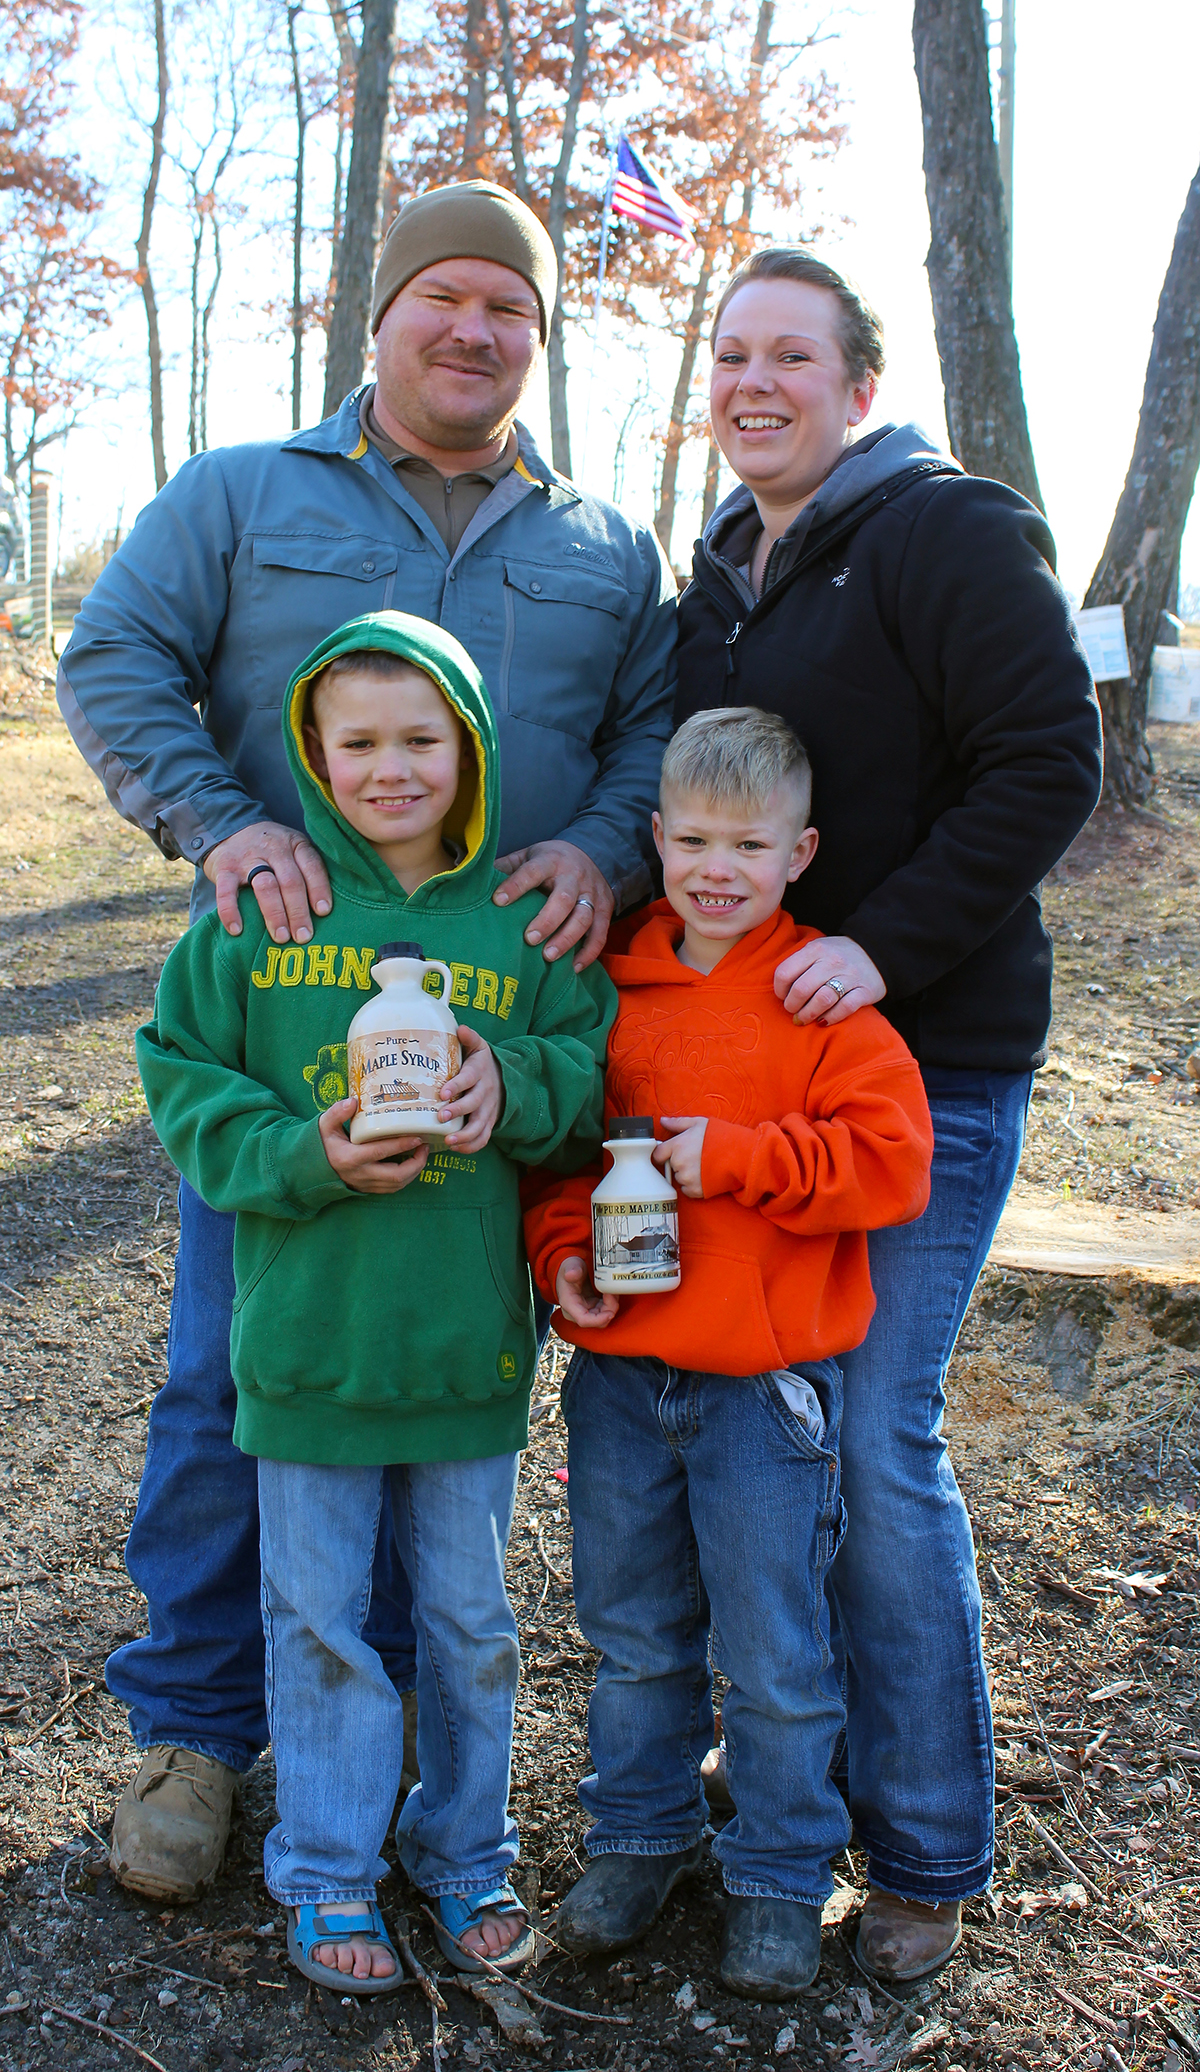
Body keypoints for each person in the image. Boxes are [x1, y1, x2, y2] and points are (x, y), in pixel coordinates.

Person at [56, 179, 675, 1903]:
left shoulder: (603, 546)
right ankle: (191, 1732)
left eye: (512, 310)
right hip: (285, 1027)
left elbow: (652, 733)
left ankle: (386, 1749)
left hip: (493, 1027)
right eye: (446, 298)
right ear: (384, 315)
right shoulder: (246, 494)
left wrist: (603, 847)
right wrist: (215, 822)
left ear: (538, 339)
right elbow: (114, 658)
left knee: (433, 1393)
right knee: (224, 1377)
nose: (475, 331)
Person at [675, 249, 1103, 1984]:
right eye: (732, 356)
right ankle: (794, 1765)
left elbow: (1049, 757)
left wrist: (880, 945)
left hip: (930, 1066)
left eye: (793, 355)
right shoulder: (725, 570)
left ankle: (926, 1846)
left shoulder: (939, 528)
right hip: (766, 1080)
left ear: (860, 385)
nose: (755, 382)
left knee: (874, 1427)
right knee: (772, 1432)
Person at [137, 610, 615, 1989]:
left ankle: (466, 1854)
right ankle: (330, 1873)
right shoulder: (260, 918)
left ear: (469, 750)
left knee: (470, 1622)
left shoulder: (523, 927)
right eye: (358, 743)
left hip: (464, 1350)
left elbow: (588, 1079)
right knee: (318, 1617)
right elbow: (183, 1079)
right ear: (311, 752)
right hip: (306, 1347)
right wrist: (307, 1153)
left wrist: (508, 1085)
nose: (390, 769)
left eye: (422, 739)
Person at [522, 707, 933, 1998]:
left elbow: (895, 1164)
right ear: (655, 837)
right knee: (634, 1630)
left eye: (747, 843)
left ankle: (777, 1871)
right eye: (693, 836)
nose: (716, 865)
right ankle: (639, 1835)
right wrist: (559, 1262)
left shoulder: (823, 1001)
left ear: (798, 851)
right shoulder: (608, 997)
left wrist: (743, 1159)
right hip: (623, 1382)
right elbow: (556, 1160)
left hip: (766, 1393)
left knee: (772, 1646)